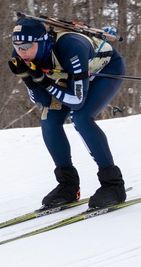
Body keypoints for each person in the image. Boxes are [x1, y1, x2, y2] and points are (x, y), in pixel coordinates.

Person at [8, 16, 127, 211]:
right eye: (16, 45)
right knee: (49, 118)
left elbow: (77, 102)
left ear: (41, 41)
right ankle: (68, 185)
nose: (21, 51)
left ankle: (113, 185)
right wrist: (28, 79)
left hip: (105, 69)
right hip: (67, 76)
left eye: (26, 46)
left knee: (81, 117)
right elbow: (43, 100)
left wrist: (43, 81)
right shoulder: (22, 53)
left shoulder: (71, 47)